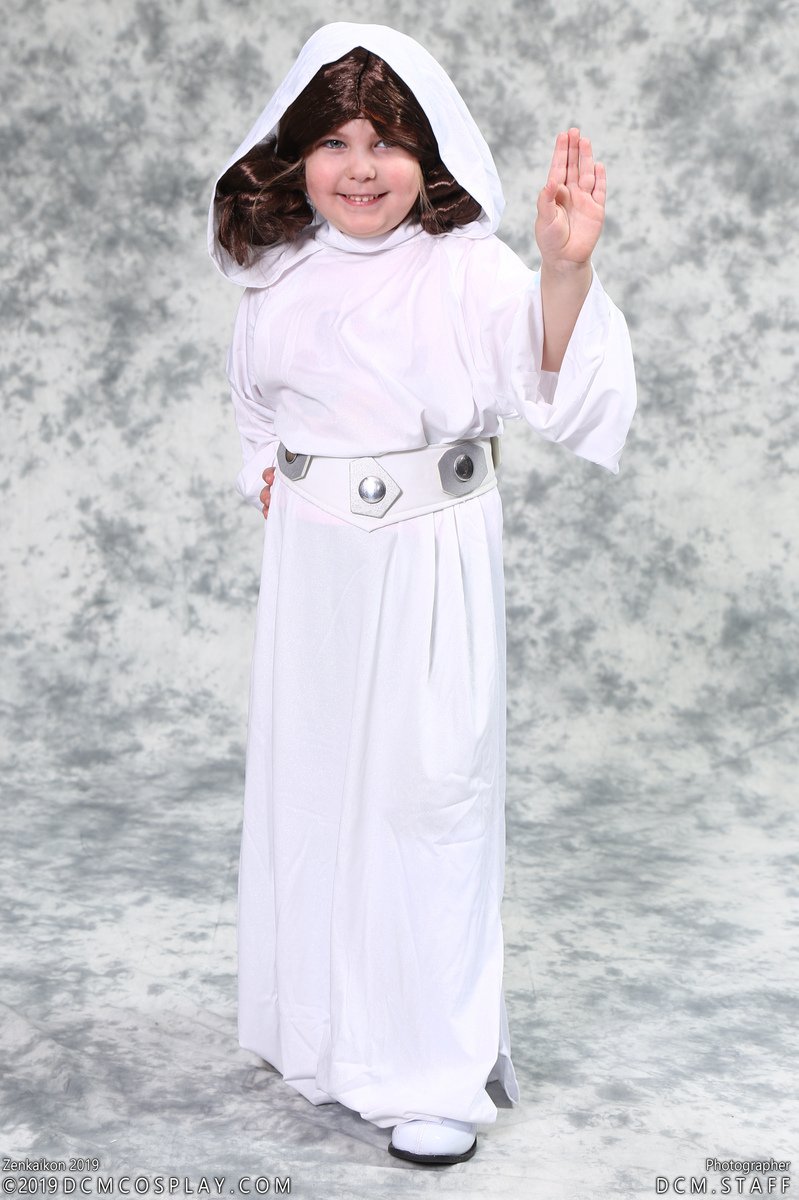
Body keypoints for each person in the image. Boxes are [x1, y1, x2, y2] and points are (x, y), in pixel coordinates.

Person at [207, 21, 637, 1168]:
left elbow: (550, 386)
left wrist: (563, 271)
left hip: (429, 562)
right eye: (335, 143)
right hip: (315, 573)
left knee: (426, 800)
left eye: (386, 142)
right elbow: (256, 403)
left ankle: (429, 1067)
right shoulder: (279, 273)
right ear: (296, 155)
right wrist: (269, 479)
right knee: (314, 797)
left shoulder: (464, 268)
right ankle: (324, 1035)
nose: (360, 169)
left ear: (428, 152)